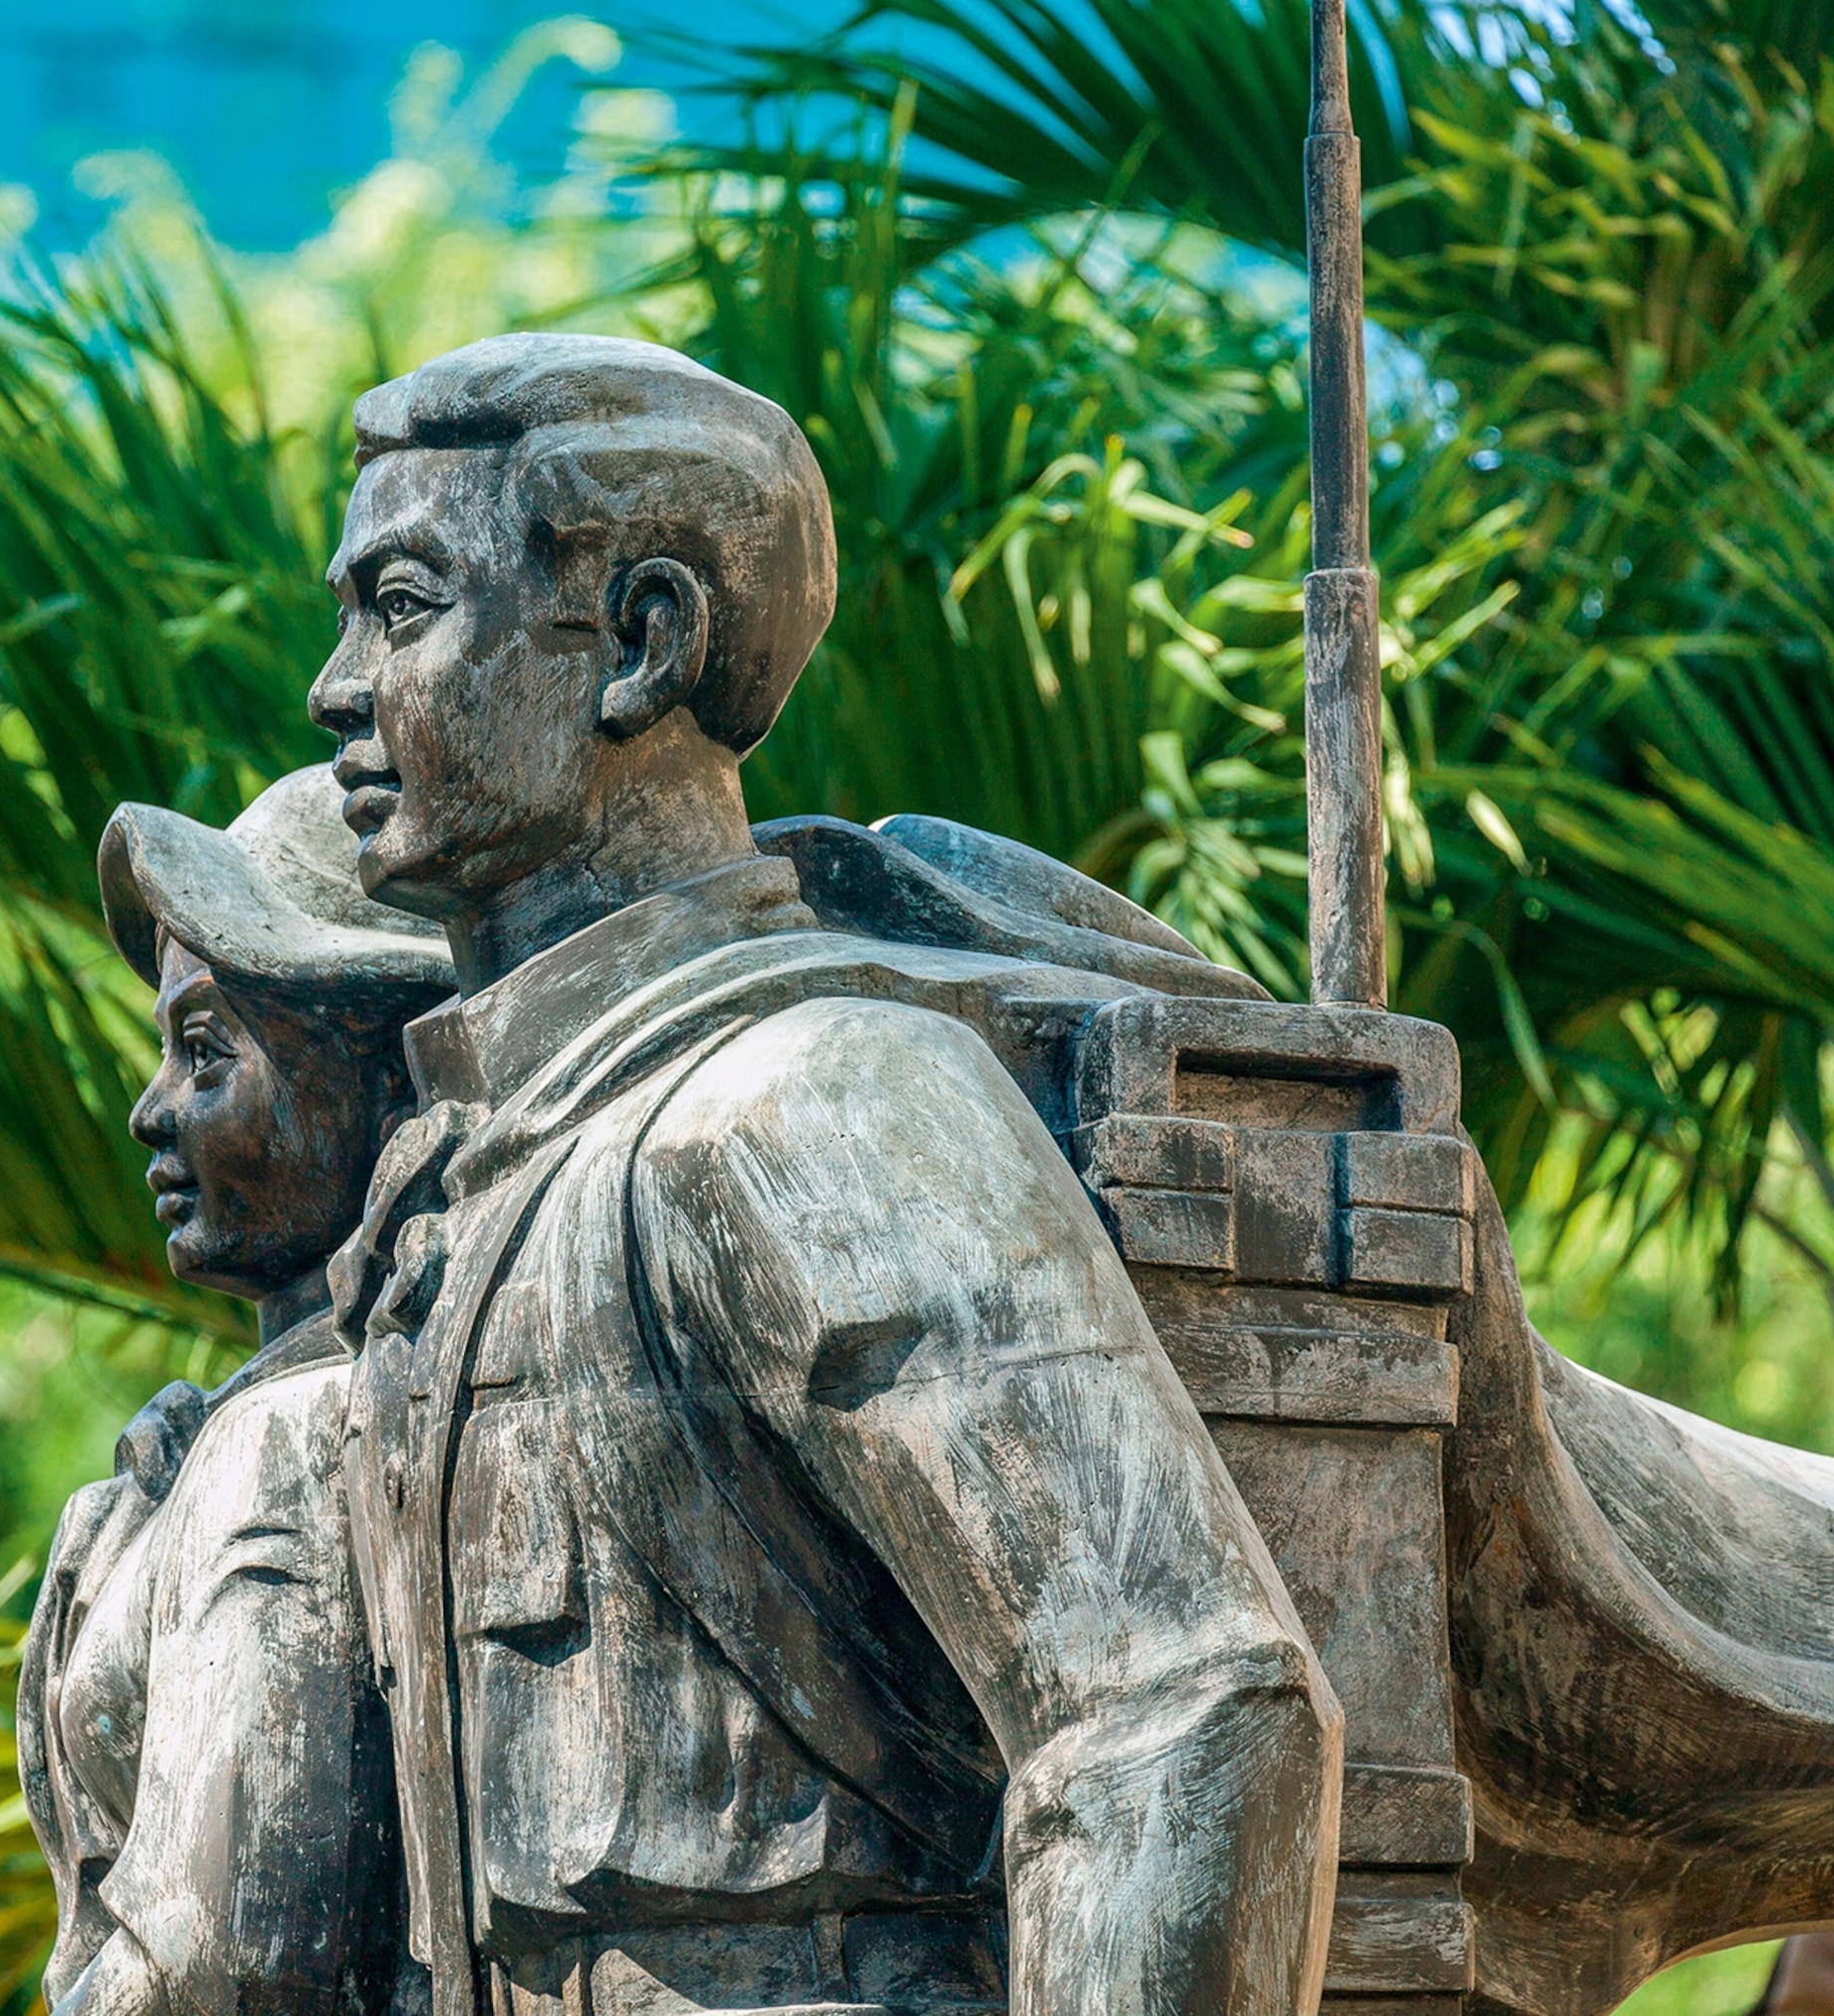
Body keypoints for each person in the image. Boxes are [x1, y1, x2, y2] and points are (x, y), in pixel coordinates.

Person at [308, 333, 1343, 2016]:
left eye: (405, 605)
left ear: (643, 643)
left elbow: (1179, 1709)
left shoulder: (807, 1105)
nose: (335, 686)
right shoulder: (484, 1175)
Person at [16, 766, 455, 2016]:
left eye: (207, 1051)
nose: (153, 1108)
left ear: (393, 1084)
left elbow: (229, 1956)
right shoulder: (225, 1439)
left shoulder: (294, 1441)